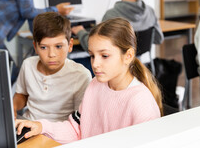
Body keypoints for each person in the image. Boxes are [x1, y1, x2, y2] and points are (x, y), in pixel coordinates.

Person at [16, 17, 162, 144]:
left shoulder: (141, 103)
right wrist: (42, 126)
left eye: (104, 56)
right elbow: (76, 129)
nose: (95, 64)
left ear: (128, 56)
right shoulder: (95, 85)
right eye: (92, 55)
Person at [13, 12, 91, 122]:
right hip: (28, 124)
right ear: (35, 46)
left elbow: (79, 120)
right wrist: (13, 106)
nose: (52, 54)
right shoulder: (28, 64)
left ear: (70, 45)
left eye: (58, 46)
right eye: (44, 47)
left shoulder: (81, 75)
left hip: (58, 132)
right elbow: (22, 95)